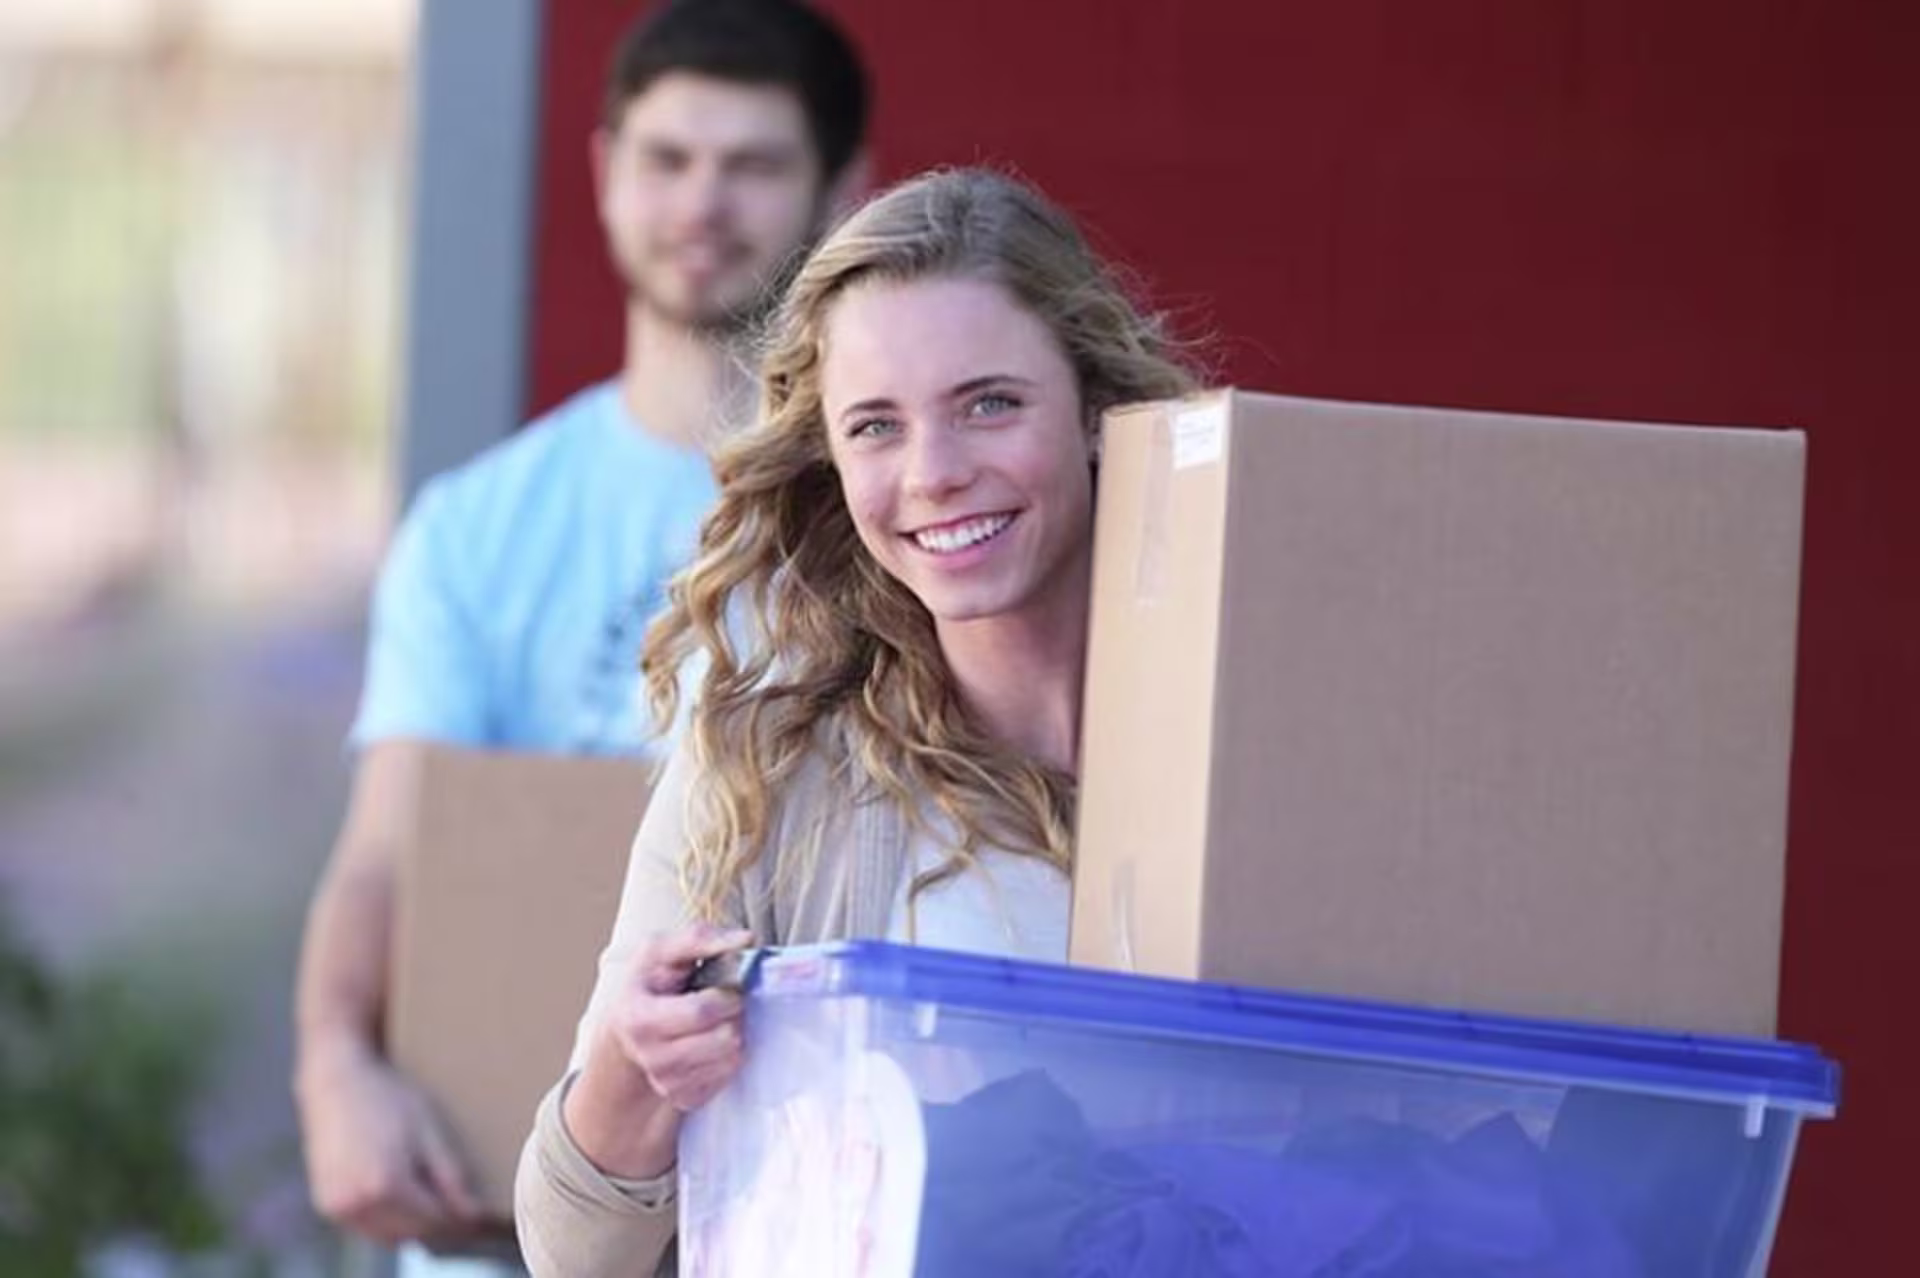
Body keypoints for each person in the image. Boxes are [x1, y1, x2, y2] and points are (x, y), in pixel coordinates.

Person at [513, 167, 1198, 1276]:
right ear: (830, 459)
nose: (933, 474)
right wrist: (633, 1072)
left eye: (990, 403)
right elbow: (569, 1250)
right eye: (876, 427)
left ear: (1093, 409)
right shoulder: (770, 758)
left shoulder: (1245, 735)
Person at [292, 0, 870, 1268]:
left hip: (793, 1223)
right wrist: (335, 1069)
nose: (702, 202)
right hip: (498, 1226)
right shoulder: (478, 525)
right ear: (606, 173)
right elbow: (387, 850)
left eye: (754, 165)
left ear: (843, 188)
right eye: (668, 160)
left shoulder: (893, 512)